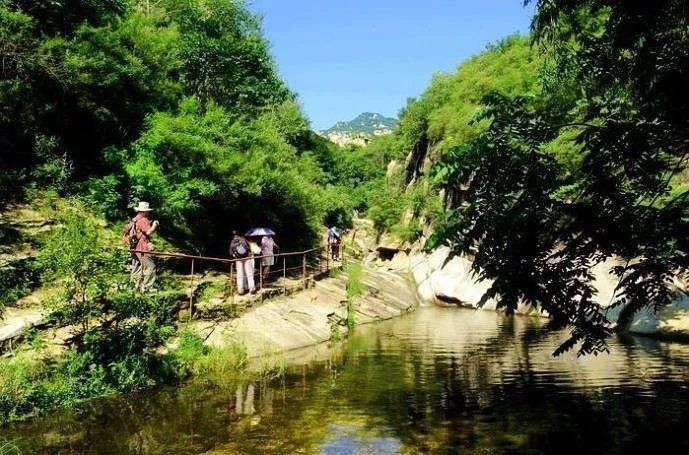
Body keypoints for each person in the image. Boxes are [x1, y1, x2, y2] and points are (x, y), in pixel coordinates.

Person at [132, 201, 159, 292]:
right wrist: (155, 225)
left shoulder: (136, 219)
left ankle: (136, 287)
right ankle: (146, 288)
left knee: (141, 269)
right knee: (150, 267)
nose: (148, 213)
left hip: (137, 248)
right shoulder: (143, 220)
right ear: (143, 212)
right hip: (142, 248)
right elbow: (148, 232)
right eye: (147, 211)